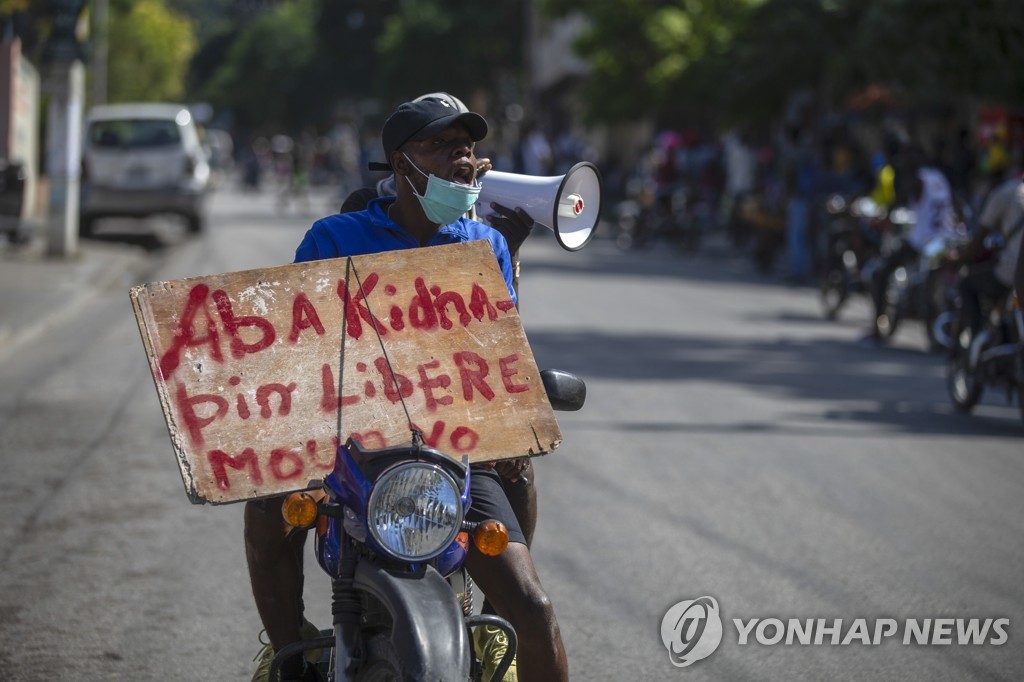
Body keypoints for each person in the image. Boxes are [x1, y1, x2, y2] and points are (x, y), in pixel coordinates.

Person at [245, 97, 567, 682]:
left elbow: (495, 358)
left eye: (465, 148)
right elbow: (294, 350)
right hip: (352, 453)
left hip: (454, 455)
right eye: (439, 147)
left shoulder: (486, 244)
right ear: (400, 164)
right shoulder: (333, 237)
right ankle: (288, 650)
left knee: (535, 608)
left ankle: (499, 635)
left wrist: (508, 260)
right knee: (268, 502)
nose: (459, 160)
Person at [866, 160, 958, 339]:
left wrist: (884, 216)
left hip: (924, 242)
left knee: (880, 273)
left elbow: (900, 198)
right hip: (947, 239)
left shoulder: (916, 181)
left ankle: (877, 330)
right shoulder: (937, 177)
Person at [952, 173, 1024, 343]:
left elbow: (978, 238)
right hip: (1014, 276)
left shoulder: (1005, 192)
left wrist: (957, 259)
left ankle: (976, 337)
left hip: (1010, 274)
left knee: (966, 283)